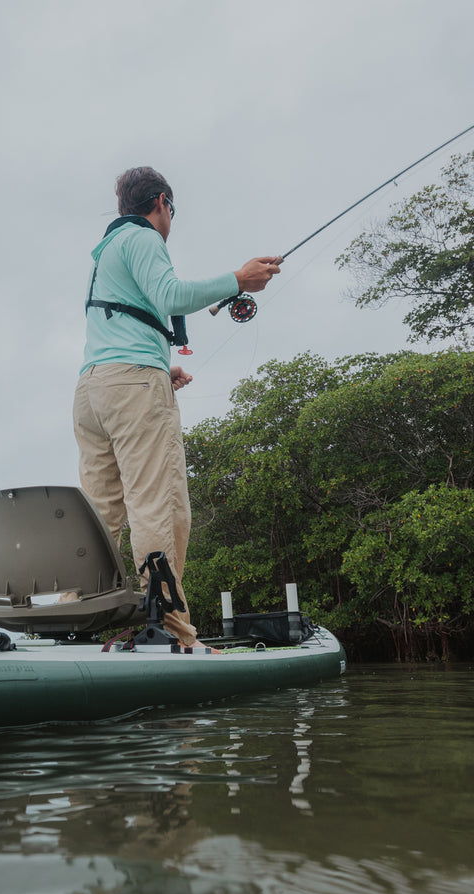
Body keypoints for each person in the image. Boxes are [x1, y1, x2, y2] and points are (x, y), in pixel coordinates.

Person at [74, 166, 281, 649]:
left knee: (101, 514)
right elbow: (169, 295)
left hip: (92, 390)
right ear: (162, 202)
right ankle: (170, 632)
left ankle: (76, 620)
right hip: (130, 386)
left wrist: (160, 370)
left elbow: (119, 326)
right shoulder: (144, 238)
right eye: (172, 211)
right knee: (161, 507)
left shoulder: (105, 250)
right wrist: (239, 279)